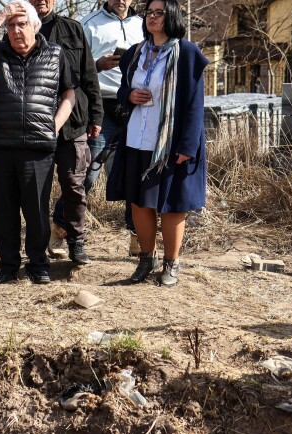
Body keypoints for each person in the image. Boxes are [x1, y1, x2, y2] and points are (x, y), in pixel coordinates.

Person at [0, 0, 76, 285]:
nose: (16, 31)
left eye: (22, 24)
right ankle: (7, 266)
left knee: (37, 212)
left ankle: (39, 265)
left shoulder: (55, 53)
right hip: (4, 145)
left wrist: (55, 125)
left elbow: (69, 94)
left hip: (39, 148)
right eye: (11, 25)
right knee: (3, 211)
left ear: (35, 26)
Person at [106, 0, 208, 287]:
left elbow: (194, 105)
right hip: (137, 138)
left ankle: (171, 264)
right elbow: (123, 88)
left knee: (172, 204)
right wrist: (128, 95)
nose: (152, 17)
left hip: (170, 144)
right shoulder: (137, 53)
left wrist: (187, 147)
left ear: (171, 16)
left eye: (159, 13)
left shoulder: (187, 53)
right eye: (149, 12)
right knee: (139, 202)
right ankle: (145, 261)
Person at [33, 0, 103, 265]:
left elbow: (89, 75)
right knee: (35, 190)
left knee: (75, 186)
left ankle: (76, 242)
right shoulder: (20, 30)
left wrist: (96, 115)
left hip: (73, 124)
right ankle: (38, 248)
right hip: (36, 124)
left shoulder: (73, 29)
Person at [81, 0, 145, 256]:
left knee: (134, 173)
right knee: (86, 171)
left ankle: (137, 236)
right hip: (101, 103)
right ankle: (60, 228)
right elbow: (74, 64)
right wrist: (97, 64)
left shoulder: (143, 24)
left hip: (134, 105)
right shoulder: (88, 23)